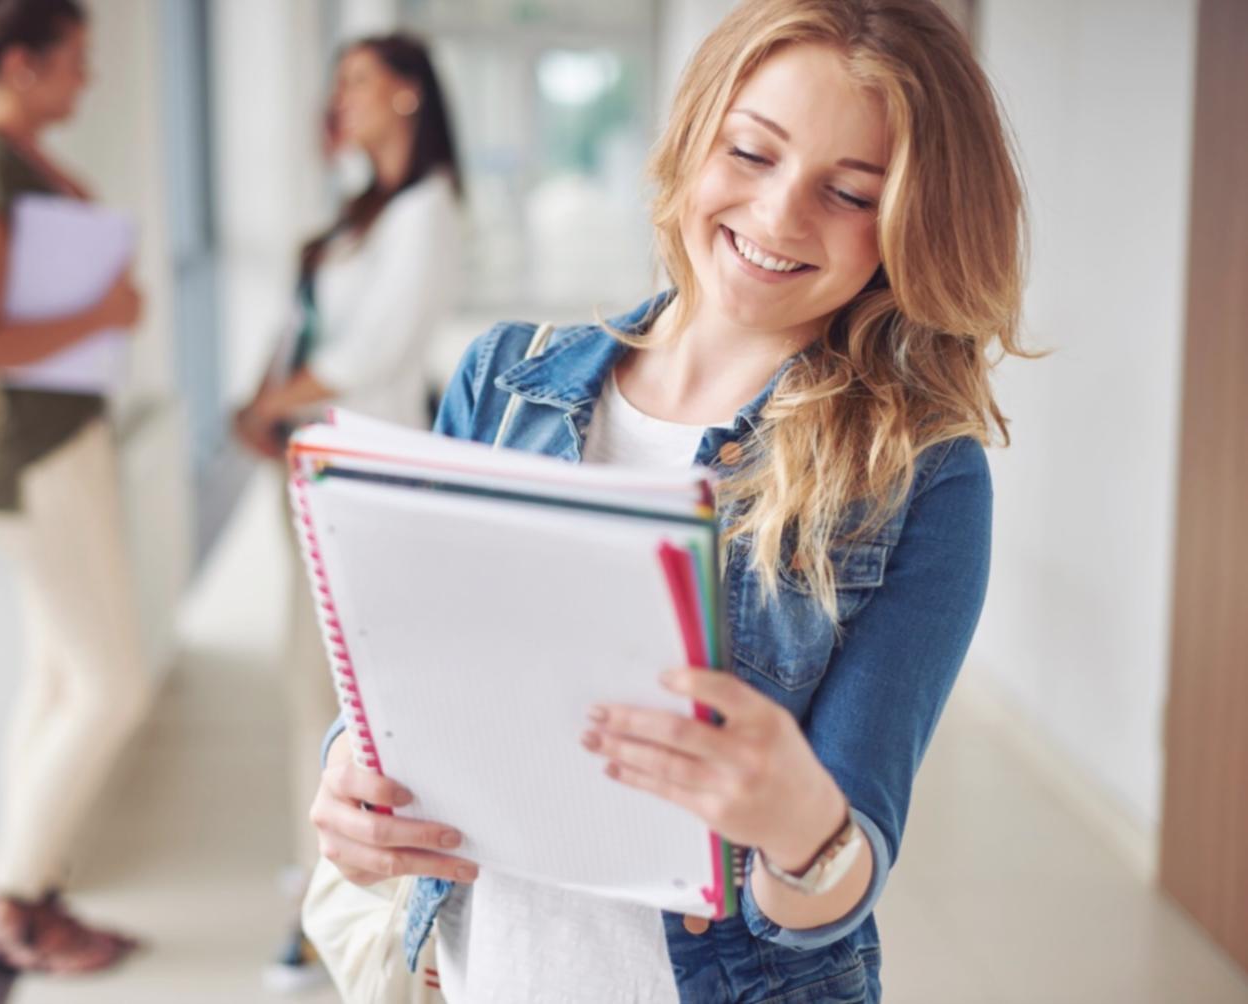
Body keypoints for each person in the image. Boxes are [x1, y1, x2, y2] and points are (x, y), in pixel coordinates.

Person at [308, 0, 1035, 1000]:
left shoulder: (918, 474)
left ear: (910, 224)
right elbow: (402, 684)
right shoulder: (500, 380)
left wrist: (794, 820)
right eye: (750, 152)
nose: (780, 216)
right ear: (695, 134)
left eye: (851, 192)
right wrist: (351, 770)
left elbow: (843, 872)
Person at [229, 32, 463, 992]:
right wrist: (267, 403)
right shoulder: (365, 209)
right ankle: (319, 892)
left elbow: (370, 349)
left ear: (409, 94)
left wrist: (267, 402)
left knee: (351, 703)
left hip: (373, 487)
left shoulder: (428, 210)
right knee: (304, 689)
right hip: (313, 473)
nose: (344, 99)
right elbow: (313, 324)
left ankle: (347, 909)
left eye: (360, 82)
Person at [0, 0, 151, 975]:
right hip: (33, 451)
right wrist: (102, 310)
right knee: (111, 684)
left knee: (59, 676)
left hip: (56, 439)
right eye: (73, 61)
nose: (87, 79)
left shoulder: (15, 157)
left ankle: (31, 881)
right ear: (21, 64)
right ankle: (14, 899)